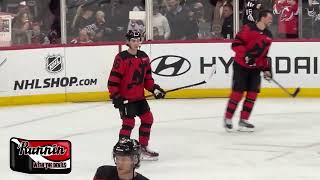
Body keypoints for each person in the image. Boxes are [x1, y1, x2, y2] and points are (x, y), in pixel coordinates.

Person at [107, 30, 165, 160]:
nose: (136, 43)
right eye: (133, 40)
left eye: (138, 40)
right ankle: (122, 152)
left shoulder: (144, 57)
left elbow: (148, 79)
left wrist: (155, 90)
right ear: (127, 41)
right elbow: (113, 80)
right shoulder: (121, 58)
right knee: (128, 123)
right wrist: (116, 96)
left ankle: (142, 148)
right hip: (126, 98)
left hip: (139, 98)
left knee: (148, 119)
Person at [223, 10, 273, 132]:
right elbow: (236, 44)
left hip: (255, 68)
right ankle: (228, 119)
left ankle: (243, 120)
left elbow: (264, 54)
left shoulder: (269, 35)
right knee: (238, 92)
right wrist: (246, 55)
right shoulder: (248, 28)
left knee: (252, 94)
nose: (271, 20)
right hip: (241, 66)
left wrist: (266, 69)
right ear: (262, 18)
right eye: (269, 18)